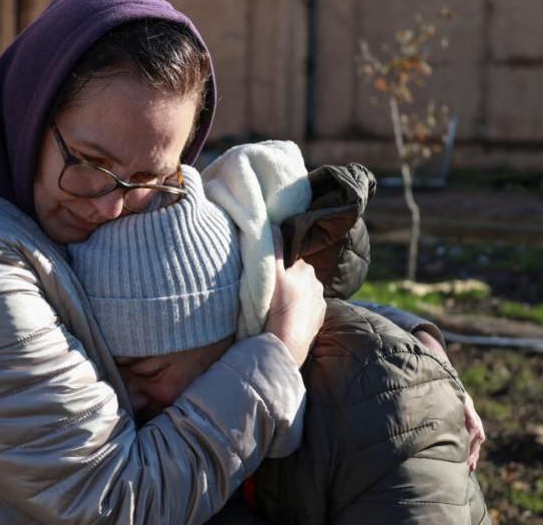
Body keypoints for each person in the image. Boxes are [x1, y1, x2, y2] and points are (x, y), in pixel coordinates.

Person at [0, 0, 324, 524]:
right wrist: (278, 352)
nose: (110, 206)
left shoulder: (58, 217)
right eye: (89, 159)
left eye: (148, 175)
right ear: (32, 111)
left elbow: (231, 281)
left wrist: (414, 359)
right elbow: (117, 501)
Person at [68, 146, 490, 524]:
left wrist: (422, 356)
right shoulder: (162, 409)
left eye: (147, 370)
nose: (126, 396)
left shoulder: (385, 402)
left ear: (230, 332)